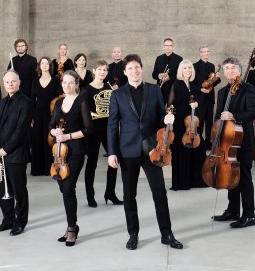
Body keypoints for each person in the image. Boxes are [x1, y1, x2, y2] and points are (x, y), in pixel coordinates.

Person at [107, 54, 183, 250]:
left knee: (160, 193)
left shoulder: (153, 89)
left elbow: (160, 115)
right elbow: (112, 125)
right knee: (129, 195)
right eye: (130, 68)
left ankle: (166, 234)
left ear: (141, 68)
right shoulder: (117, 95)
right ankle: (133, 234)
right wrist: (112, 152)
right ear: (125, 72)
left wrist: (166, 120)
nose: (134, 71)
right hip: (127, 150)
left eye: (137, 67)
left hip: (152, 149)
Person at [212, 57, 255, 228]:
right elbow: (218, 116)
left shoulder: (248, 89)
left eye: (233, 68)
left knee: (244, 178)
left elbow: (253, 112)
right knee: (230, 177)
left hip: (243, 141)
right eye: (227, 68)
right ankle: (232, 211)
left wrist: (234, 116)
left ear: (239, 70)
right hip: (226, 142)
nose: (230, 71)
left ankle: (249, 215)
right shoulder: (222, 92)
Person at [49, 70, 93, 247]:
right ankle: (72, 226)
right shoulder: (59, 102)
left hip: (75, 152)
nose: (66, 86)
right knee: (63, 186)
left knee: (68, 188)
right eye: (64, 83)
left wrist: (68, 136)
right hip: (59, 152)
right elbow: (50, 125)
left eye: (70, 83)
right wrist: (55, 131)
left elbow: (89, 129)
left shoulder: (81, 102)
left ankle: (71, 228)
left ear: (76, 84)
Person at [0, 70, 33, 236]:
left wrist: (6, 149)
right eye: (7, 82)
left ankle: (20, 221)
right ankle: (7, 220)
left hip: (15, 154)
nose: (10, 84)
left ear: (19, 82)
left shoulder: (26, 102)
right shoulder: (1, 103)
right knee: (2, 189)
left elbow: (21, 130)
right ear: (3, 83)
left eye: (13, 81)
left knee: (18, 190)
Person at [81, 60, 122, 207]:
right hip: (93, 131)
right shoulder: (86, 90)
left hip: (109, 129)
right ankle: (90, 196)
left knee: (114, 161)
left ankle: (110, 193)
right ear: (94, 70)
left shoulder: (110, 87)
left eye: (105, 70)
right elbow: (83, 113)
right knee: (92, 163)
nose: (102, 72)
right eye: (99, 69)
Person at [168, 59, 206, 190]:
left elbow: (198, 100)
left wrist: (196, 103)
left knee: (198, 148)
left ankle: (195, 180)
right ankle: (181, 182)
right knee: (181, 150)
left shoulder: (193, 85)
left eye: (189, 68)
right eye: (185, 68)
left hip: (191, 123)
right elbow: (170, 104)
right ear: (181, 70)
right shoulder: (176, 84)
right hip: (180, 122)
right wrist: (170, 121)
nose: (188, 71)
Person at [30, 57, 62, 176]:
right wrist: (31, 117)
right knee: (37, 140)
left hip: (51, 114)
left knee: (49, 141)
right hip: (37, 114)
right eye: (42, 63)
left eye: (46, 63)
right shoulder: (35, 81)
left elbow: (59, 98)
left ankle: (49, 169)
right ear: (39, 66)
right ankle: (37, 169)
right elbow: (32, 100)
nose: (44, 65)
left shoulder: (55, 80)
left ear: (50, 65)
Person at [193, 45, 221, 150]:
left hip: (209, 98)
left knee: (209, 122)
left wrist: (217, 78)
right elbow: (192, 83)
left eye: (208, 51)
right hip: (199, 98)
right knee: (199, 122)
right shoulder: (194, 66)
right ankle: (199, 141)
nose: (206, 53)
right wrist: (200, 89)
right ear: (200, 53)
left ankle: (209, 142)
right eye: (204, 52)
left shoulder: (212, 66)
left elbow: (212, 82)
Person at [152, 38, 183, 104]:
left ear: (172, 46)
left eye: (170, 45)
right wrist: (158, 76)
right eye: (166, 45)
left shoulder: (179, 59)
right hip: (160, 90)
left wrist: (169, 78)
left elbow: (181, 76)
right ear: (163, 46)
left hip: (173, 89)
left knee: (171, 111)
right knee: (159, 111)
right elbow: (154, 74)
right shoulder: (159, 58)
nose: (168, 47)